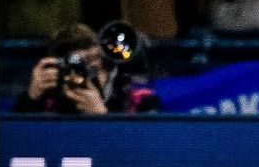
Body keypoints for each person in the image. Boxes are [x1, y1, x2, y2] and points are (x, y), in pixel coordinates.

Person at [15, 21, 160, 114]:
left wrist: (101, 116)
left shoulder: (139, 99)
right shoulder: (48, 101)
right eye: (77, 68)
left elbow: (149, 153)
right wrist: (30, 100)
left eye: (93, 67)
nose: (87, 78)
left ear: (109, 67)